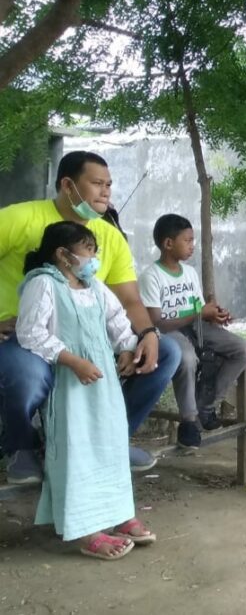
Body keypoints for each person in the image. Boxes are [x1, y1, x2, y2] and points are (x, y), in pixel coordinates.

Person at [0, 151, 180, 483]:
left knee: (166, 352)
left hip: (88, 336)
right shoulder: (18, 218)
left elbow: (127, 300)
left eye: (109, 184)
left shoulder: (109, 236)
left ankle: (109, 439)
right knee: (24, 372)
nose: (106, 192)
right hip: (26, 337)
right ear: (68, 185)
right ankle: (20, 447)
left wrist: (148, 335)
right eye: (97, 183)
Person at [17, 222, 156, 559]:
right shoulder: (44, 285)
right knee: (77, 450)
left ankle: (118, 513)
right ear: (64, 255)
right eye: (88, 249)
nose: (94, 258)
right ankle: (85, 530)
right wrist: (73, 362)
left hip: (102, 385)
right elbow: (30, 333)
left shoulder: (95, 286)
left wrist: (126, 348)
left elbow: (119, 322)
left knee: (109, 445)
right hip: (69, 386)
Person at [138, 214, 246, 449]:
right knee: (187, 358)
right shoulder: (151, 276)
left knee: (243, 348)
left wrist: (215, 314)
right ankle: (189, 421)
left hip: (196, 327)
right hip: (166, 333)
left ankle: (207, 404)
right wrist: (200, 314)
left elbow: (198, 309)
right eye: (188, 240)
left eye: (193, 240)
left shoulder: (189, 273)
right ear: (168, 243)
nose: (192, 246)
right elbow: (155, 322)